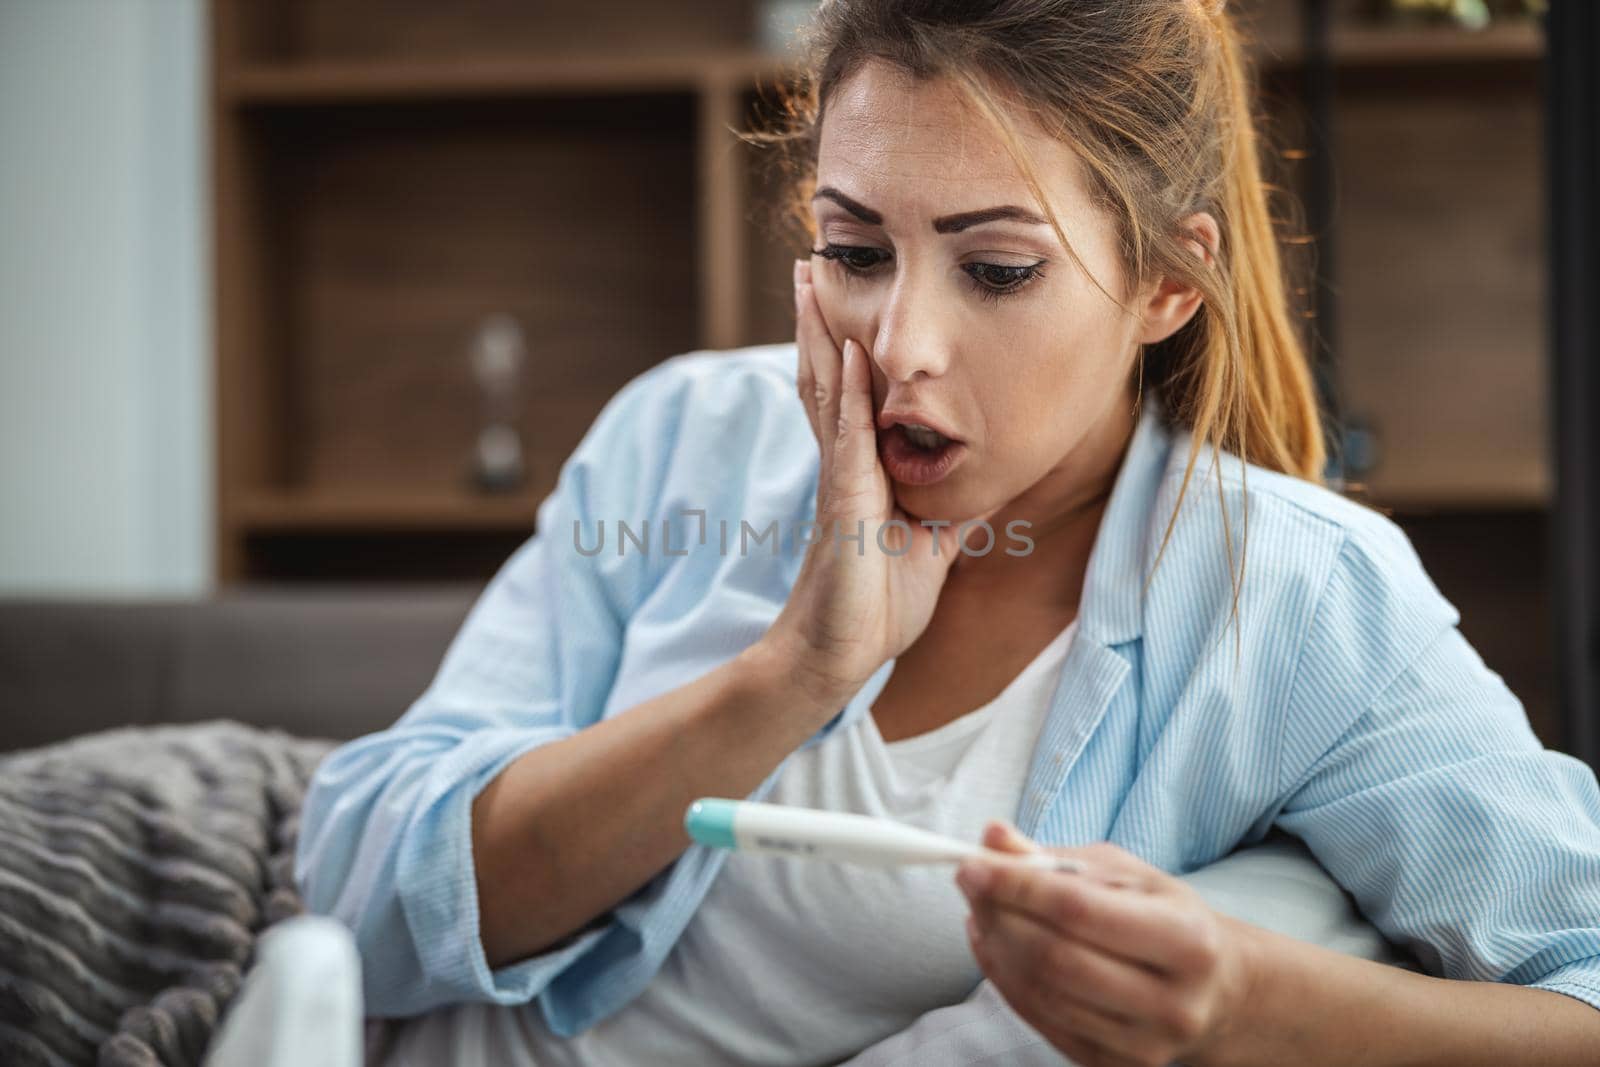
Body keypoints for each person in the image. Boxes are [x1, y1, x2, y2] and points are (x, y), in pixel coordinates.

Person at [294, 1, 1600, 1064]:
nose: (902, 345)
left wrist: (1254, 1010)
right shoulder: (683, 438)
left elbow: (1578, 1000)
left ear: (1161, 282)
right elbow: (356, 894)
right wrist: (791, 670)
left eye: (997, 270)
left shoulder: (1297, 597)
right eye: (856, 251)